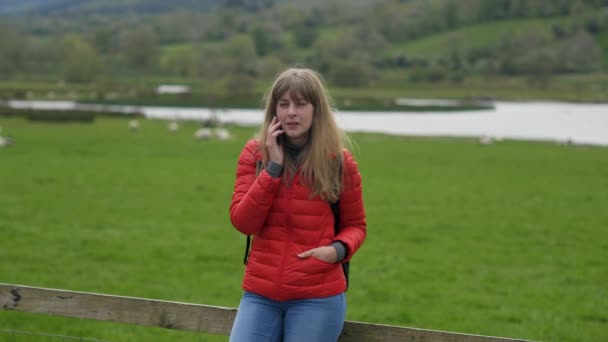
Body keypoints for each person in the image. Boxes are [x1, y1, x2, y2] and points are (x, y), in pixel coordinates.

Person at [228, 67, 367, 342]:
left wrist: (336, 251)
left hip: (317, 296)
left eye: (301, 104)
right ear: (274, 110)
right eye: (284, 104)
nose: (292, 112)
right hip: (260, 294)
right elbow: (243, 222)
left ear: (317, 109)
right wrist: (273, 168)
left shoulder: (338, 162)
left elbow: (356, 226)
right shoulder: (255, 155)